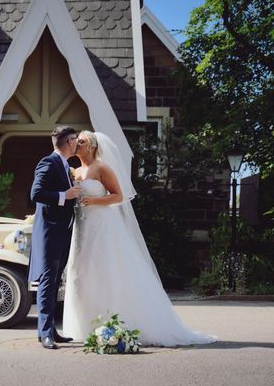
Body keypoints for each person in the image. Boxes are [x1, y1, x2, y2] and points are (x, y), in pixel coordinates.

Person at [63, 130, 217, 346]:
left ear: (93, 147)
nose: (77, 143)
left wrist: (95, 202)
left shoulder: (101, 167)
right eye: (76, 140)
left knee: (107, 271)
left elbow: (119, 195)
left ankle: (114, 323)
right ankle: (87, 325)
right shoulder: (75, 171)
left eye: (82, 141)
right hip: (82, 230)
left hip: (103, 226)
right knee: (84, 273)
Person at [29, 126, 83, 350]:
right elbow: (36, 194)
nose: (78, 143)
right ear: (68, 142)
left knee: (54, 281)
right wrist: (65, 195)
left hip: (62, 229)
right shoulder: (48, 162)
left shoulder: (64, 166)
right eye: (76, 140)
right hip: (50, 231)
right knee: (48, 281)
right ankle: (44, 334)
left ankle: (50, 330)